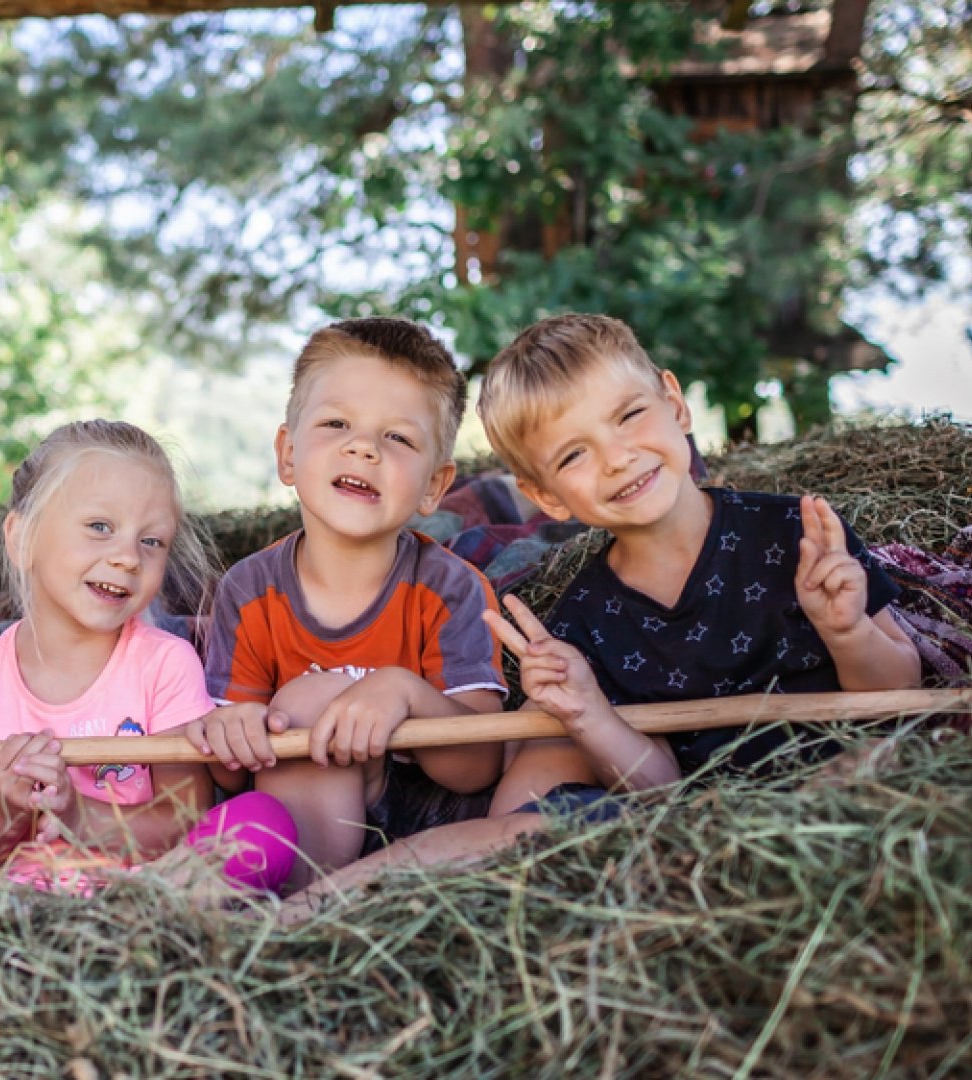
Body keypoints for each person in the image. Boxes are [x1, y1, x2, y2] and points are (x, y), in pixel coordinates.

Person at [287, 313, 923, 906]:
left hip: (836, 778)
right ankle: (304, 912)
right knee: (516, 833)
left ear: (674, 404)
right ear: (546, 496)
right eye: (574, 455)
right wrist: (589, 713)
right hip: (688, 826)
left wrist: (846, 631)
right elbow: (659, 789)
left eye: (629, 415)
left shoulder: (796, 534)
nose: (617, 457)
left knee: (883, 765)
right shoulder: (585, 618)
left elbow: (899, 688)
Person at [0, 420, 297, 895]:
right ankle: (24, 929)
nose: (128, 557)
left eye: (152, 541)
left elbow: (183, 820)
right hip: (4, 897)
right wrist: (11, 807)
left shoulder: (165, 662)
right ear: (22, 539)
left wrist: (75, 813)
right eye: (99, 527)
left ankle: (133, 925)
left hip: (143, 889)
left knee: (264, 823)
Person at [181, 318, 509, 893]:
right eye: (337, 424)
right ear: (288, 454)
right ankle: (303, 913)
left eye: (398, 438)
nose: (362, 447)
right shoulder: (248, 590)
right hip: (301, 825)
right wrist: (234, 733)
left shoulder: (453, 588)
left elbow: (476, 768)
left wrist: (404, 693)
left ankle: (330, 905)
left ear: (435, 485)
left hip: (426, 825)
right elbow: (228, 781)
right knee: (304, 702)